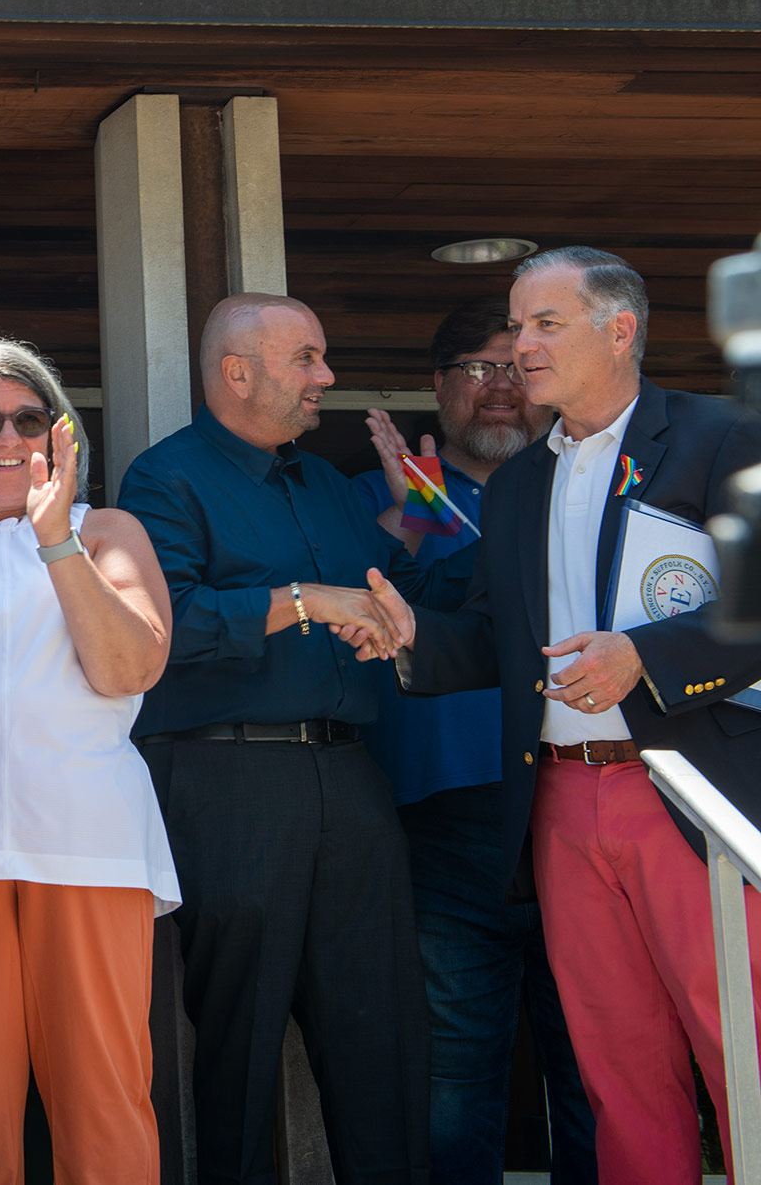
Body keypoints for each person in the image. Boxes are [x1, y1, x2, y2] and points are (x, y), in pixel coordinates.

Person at [400, 247, 761, 1183]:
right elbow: (495, 641)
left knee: (746, 1052)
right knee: (615, 1073)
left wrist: (646, 656)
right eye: (518, 326)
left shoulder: (726, 436)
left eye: (543, 324)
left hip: (691, 791)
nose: (520, 347)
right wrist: (405, 635)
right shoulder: (521, 482)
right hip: (560, 805)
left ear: (621, 329)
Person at [116, 292, 437, 1185]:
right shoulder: (165, 480)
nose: (325, 379)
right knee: (241, 1046)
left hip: (352, 777)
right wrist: (302, 603)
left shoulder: (329, 487)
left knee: (385, 1038)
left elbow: (406, 589)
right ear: (237, 373)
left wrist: (421, 512)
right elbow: (163, 624)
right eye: (307, 360)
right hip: (229, 781)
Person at [0, 339, 176, 1185]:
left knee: (105, 1101)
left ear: (61, 437)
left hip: (88, 845)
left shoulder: (108, 531)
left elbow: (128, 668)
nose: (8, 437)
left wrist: (59, 543)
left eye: (29, 419)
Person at [350, 297, 593, 1185]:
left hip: (578, 805)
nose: (499, 389)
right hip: (441, 822)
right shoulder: (375, 492)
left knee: (598, 1063)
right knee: (453, 1075)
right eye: (476, 370)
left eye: (517, 370)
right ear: (439, 388)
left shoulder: (589, 489)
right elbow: (390, 597)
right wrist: (412, 507)